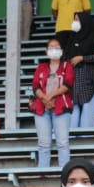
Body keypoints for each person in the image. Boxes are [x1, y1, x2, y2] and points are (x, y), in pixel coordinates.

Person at [31, 40, 74, 169]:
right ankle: (42, 173)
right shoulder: (41, 67)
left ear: (61, 50)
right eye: (51, 47)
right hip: (41, 108)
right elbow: (35, 86)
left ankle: (65, 174)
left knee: (62, 142)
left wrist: (49, 96)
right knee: (43, 143)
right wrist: (45, 99)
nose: (54, 49)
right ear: (46, 51)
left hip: (61, 107)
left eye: (57, 47)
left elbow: (68, 84)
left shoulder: (67, 66)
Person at [65, 10, 94, 129]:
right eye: (74, 19)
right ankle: (73, 139)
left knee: (88, 110)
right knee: (73, 110)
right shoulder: (71, 38)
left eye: (77, 20)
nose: (74, 22)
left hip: (89, 80)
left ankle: (86, 139)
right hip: (73, 80)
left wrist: (81, 58)